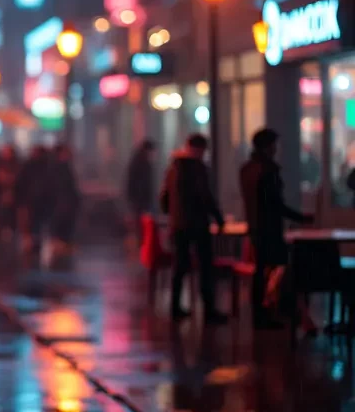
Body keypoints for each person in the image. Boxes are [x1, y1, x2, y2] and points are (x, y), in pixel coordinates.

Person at [240, 128, 314, 331]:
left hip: (255, 228)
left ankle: (260, 314)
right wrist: (301, 217)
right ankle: (277, 310)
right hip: (270, 229)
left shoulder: (247, 169)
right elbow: (275, 204)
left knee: (260, 271)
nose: (276, 149)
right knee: (280, 267)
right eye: (274, 145)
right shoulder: (268, 170)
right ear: (268, 146)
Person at [159, 133, 226, 323]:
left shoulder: (173, 168)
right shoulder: (197, 168)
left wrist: (172, 214)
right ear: (200, 149)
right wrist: (218, 218)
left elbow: (164, 197)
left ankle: (175, 307)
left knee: (180, 266)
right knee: (205, 266)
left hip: (178, 224)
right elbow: (205, 196)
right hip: (197, 223)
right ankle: (209, 310)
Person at [49, 143, 81, 263]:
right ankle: (60, 248)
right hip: (62, 203)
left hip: (64, 203)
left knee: (64, 226)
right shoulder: (59, 168)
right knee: (61, 226)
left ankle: (62, 248)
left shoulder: (63, 167)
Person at [125, 139, 157, 241]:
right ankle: (142, 243)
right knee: (141, 223)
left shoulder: (138, 161)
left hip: (139, 198)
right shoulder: (141, 162)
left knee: (141, 223)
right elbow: (138, 182)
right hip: (140, 198)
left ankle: (142, 242)